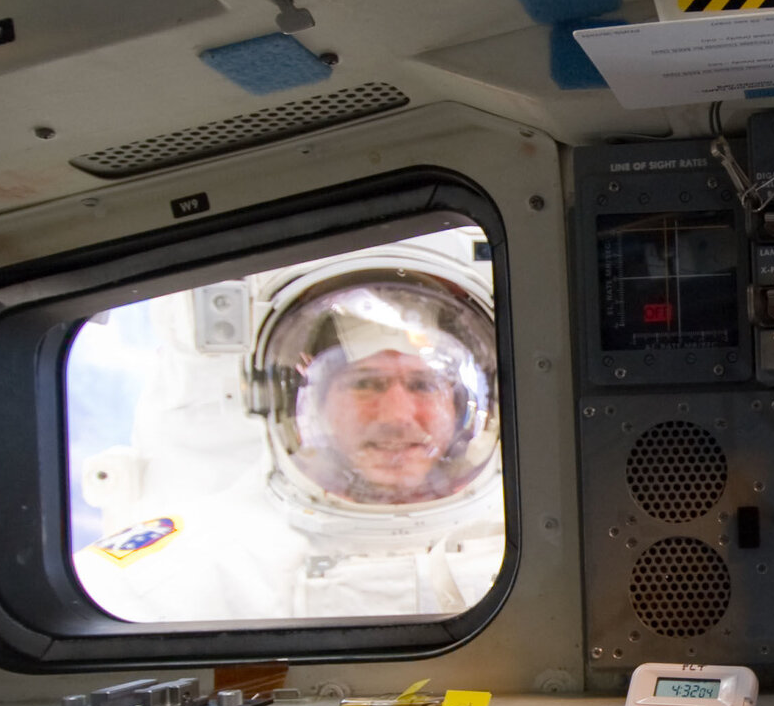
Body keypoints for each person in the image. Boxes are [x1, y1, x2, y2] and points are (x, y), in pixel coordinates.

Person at [72, 240, 505, 621]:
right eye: (365, 383)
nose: (396, 414)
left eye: (423, 384)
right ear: (305, 402)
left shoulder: (525, 552)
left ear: (465, 406)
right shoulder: (178, 580)